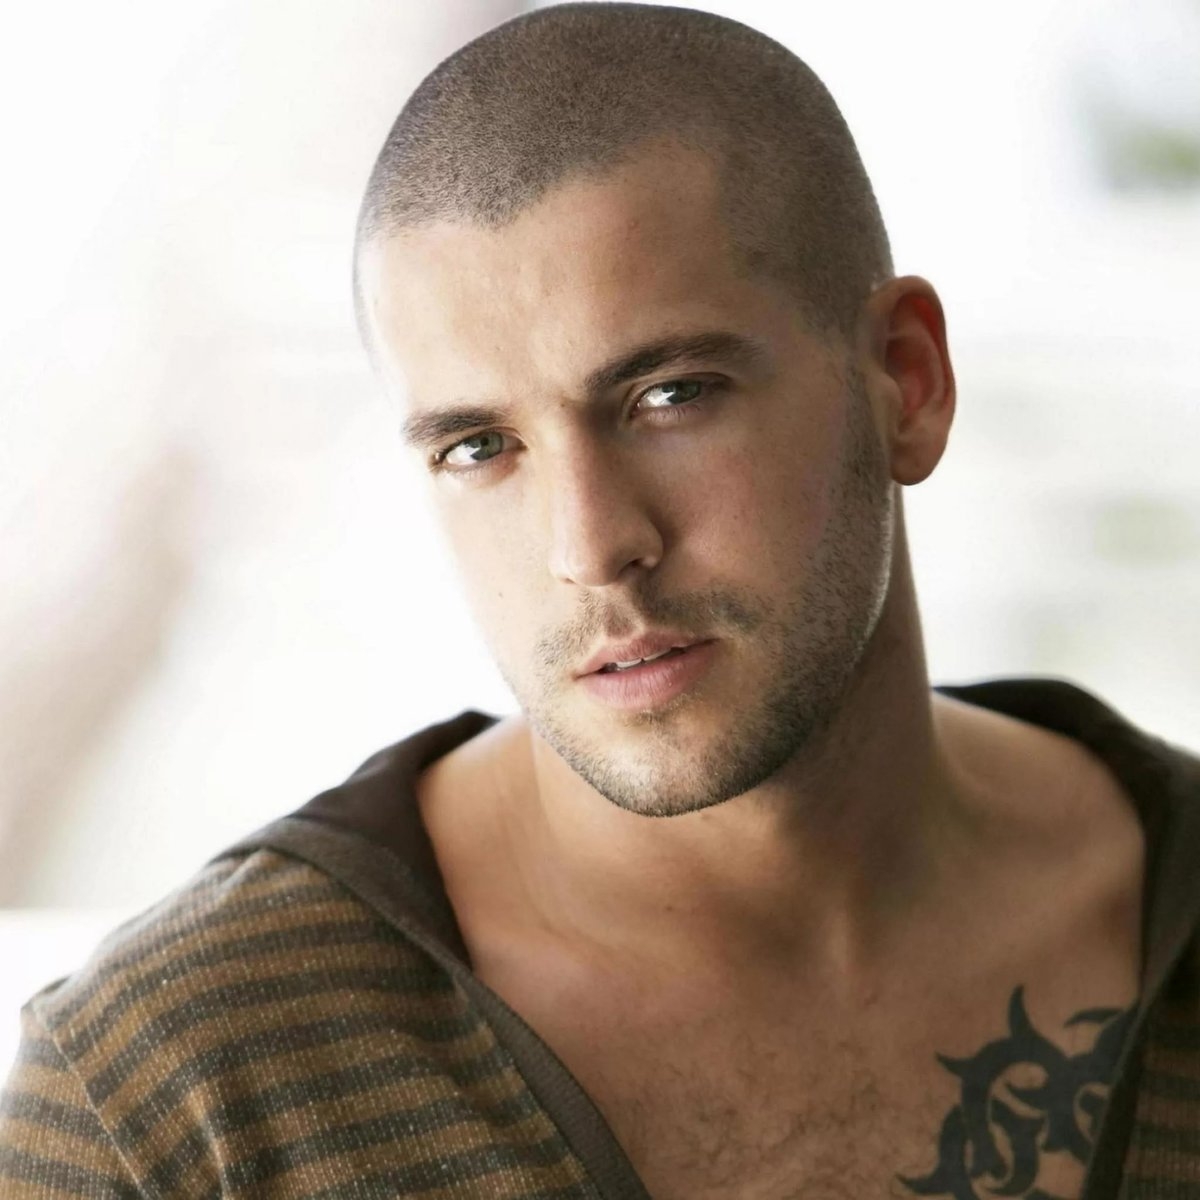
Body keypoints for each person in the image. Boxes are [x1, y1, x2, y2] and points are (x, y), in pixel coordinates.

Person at [2, 4, 1197, 1198]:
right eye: (480, 448)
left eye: (671, 396)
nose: (591, 547)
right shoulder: (164, 1102)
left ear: (907, 381)